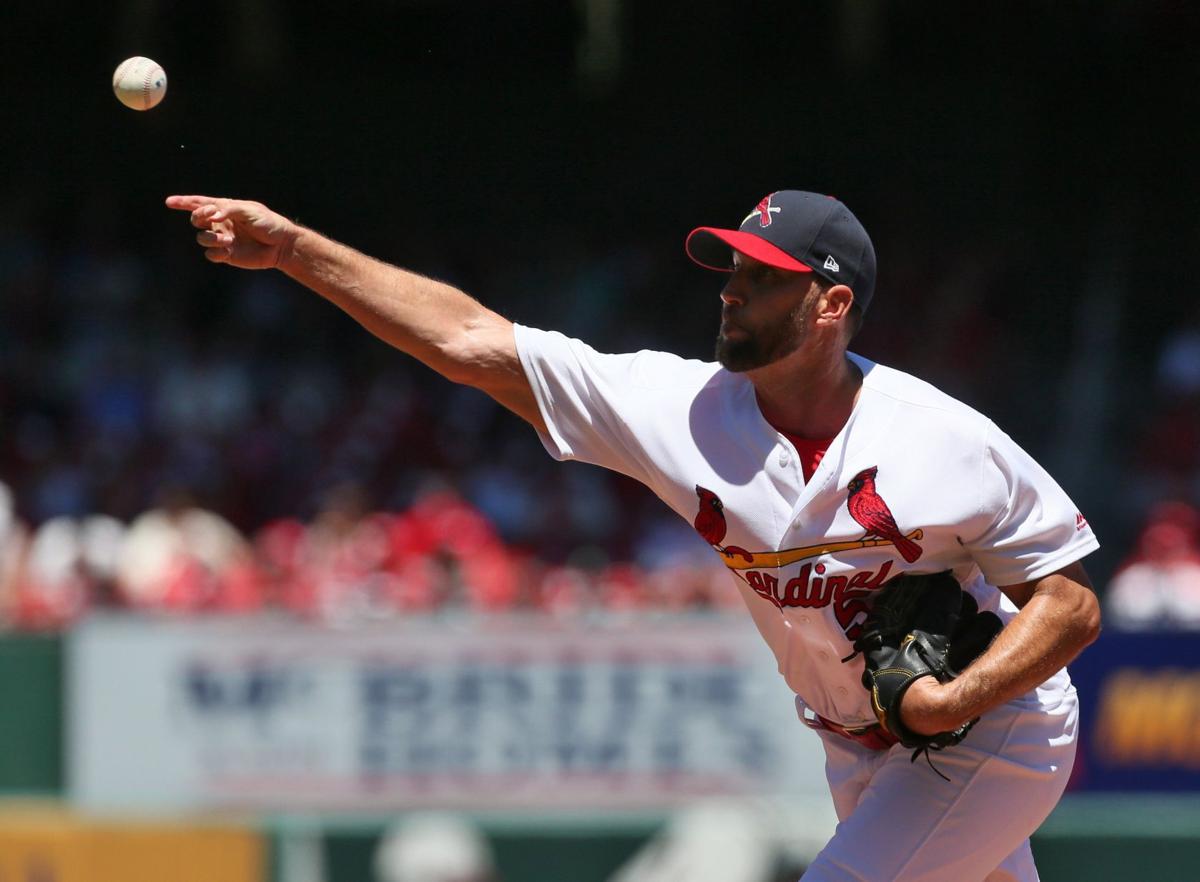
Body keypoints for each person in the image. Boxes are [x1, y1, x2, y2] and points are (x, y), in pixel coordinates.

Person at [167, 189, 1102, 881]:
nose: (732, 293)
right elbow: (468, 341)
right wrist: (293, 249)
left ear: (830, 305)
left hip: (993, 734)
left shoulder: (938, 436)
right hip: (858, 747)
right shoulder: (678, 408)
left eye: (762, 279)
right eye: (731, 270)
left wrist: (953, 700)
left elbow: (1070, 600)